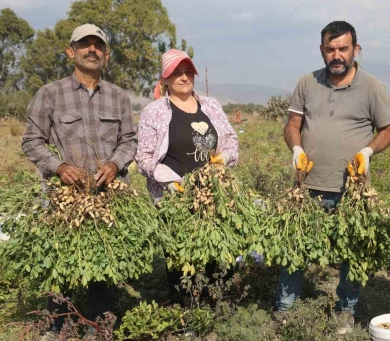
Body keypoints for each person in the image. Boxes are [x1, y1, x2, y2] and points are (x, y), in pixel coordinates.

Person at [21, 24, 137, 333]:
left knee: (101, 261)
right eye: (84, 44)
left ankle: (98, 325)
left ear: (106, 55)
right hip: (64, 198)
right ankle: (55, 325)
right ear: (70, 51)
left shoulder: (118, 96)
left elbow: (130, 141)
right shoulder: (49, 94)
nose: (91, 50)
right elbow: (31, 141)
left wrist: (114, 164)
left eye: (98, 45)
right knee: (60, 261)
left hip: (106, 197)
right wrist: (59, 167)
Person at [281, 21, 390, 326]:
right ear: (322, 50)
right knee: (294, 247)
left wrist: (368, 151)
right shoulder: (307, 83)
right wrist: (296, 148)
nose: (336, 55)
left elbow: (388, 129)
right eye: (330, 49)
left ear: (355, 50)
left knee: (351, 253)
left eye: (343, 48)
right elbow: (293, 125)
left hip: (352, 189)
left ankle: (346, 310)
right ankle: (285, 310)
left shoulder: (372, 87)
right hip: (307, 187)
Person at [134, 49, 238, 303]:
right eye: (175, 73)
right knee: (182, 257)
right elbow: (144, 155)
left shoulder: (211, 105)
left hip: (214, 193)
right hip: (176, 199)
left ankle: (217, 307)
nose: (183, 78)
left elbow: (231, 140)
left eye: (187, 72)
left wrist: (224, 158)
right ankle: (187, 312)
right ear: (165, 80)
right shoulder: (155, 112)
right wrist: (167, 180)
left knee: (218, 252)